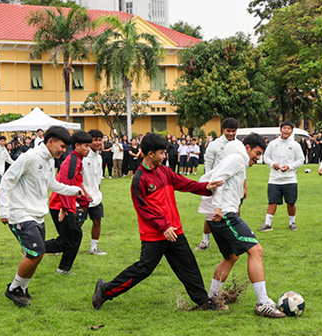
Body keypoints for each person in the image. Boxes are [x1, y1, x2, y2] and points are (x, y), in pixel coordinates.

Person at [91, 133, 224, 311]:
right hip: (155, 235)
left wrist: (204, 187)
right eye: (161, 153)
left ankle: (203, 302)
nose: (164, 156)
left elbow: (183, 183)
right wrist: (163, 225)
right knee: (143, 270)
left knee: (189, 265)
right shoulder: (139, 179)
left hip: (174, 231)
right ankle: (105, 291)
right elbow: (143, 209)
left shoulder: (164, 171)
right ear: (150, 153)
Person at [199, 133, 285, 317]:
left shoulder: (236, 158)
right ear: (248, 148)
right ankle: (262, 303)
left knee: (231, 256)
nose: (258, 157)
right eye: (258, 152)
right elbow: (218, 179)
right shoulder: (237, 158)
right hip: (222, 213)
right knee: (256, 250)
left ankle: (213, 299)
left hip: (219, 213)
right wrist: (218, 208)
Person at [0, 126, 85, 307]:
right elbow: (7, 180)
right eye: (61, 146)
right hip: (21, 213)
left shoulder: (49, 160)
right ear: (50, 141)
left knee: (39, 254)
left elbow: (52, 183)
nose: (63, 150)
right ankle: (13, 289)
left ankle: (22, 288)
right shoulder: (28, 157)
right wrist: (3, 210)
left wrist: (73, 190)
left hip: (38, 214)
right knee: (35, 253)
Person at [46, 130, 93, 274]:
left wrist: (84, 200)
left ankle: (63, 268)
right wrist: (65, 208)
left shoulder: (77, 160)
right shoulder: (72, 161)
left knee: (75, 237)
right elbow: (65, 184)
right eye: (86, 146)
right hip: (60, 206)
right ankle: (34, 247)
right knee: (67, 240)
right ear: (77, 145)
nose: (88, 149)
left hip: (67, 205)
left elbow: (75, 185)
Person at [195, 117, 239, 251]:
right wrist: (210, 185)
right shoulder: (214, 145)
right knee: (210, 214)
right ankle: (205, 241)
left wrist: (243, 185)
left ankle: (235, 239)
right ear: (223, 130)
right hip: (215, 184)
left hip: (232, 185)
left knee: (235, 211)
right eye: (228, 131)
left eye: (233, 131)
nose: (231, 134)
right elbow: (208, 167)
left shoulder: (238, 145)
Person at [259, 121, 305, 232]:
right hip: (274, 179)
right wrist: (272, 164)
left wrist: (289, 167)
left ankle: (292, 223)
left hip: (290, 179)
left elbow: (301, 160)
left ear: (291, 131)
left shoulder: (295, 145)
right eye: (284, 128)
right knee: (272, 201)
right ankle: (267, 224)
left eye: (289, 129)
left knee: (291, 202)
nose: (286, 130)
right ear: (280, 130)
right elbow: (266, 157)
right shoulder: (273, 143)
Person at [83, 129, 108, 256]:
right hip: (82, 196)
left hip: (96, 196)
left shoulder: (99, 157)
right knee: (78, 223)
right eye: (95, 140)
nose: (98, 143)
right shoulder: (83, 157)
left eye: (100, 140)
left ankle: (94, 248)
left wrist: (98, 191)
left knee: (97, 220)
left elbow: (99, 177)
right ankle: (65, 245)